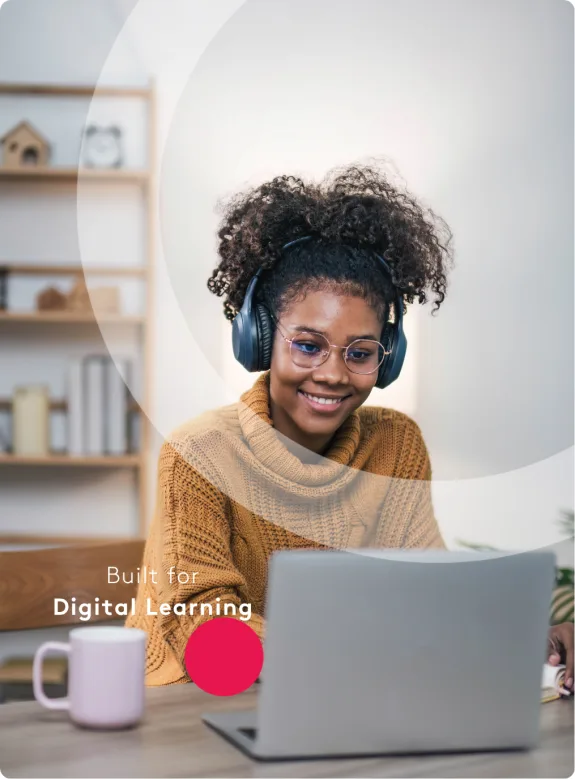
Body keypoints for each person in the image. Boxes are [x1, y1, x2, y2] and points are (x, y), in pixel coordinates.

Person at [126, 163, 573, 689]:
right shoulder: (198, 454)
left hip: (337, 696)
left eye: (360, 353)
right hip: (193, 702)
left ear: (388, 358)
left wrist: (527, 640)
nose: (334, 374)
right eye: (307, 345)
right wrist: (352, 652)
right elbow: (203, 627)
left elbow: (426, 592)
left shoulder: (396, 445)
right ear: (258, 338)